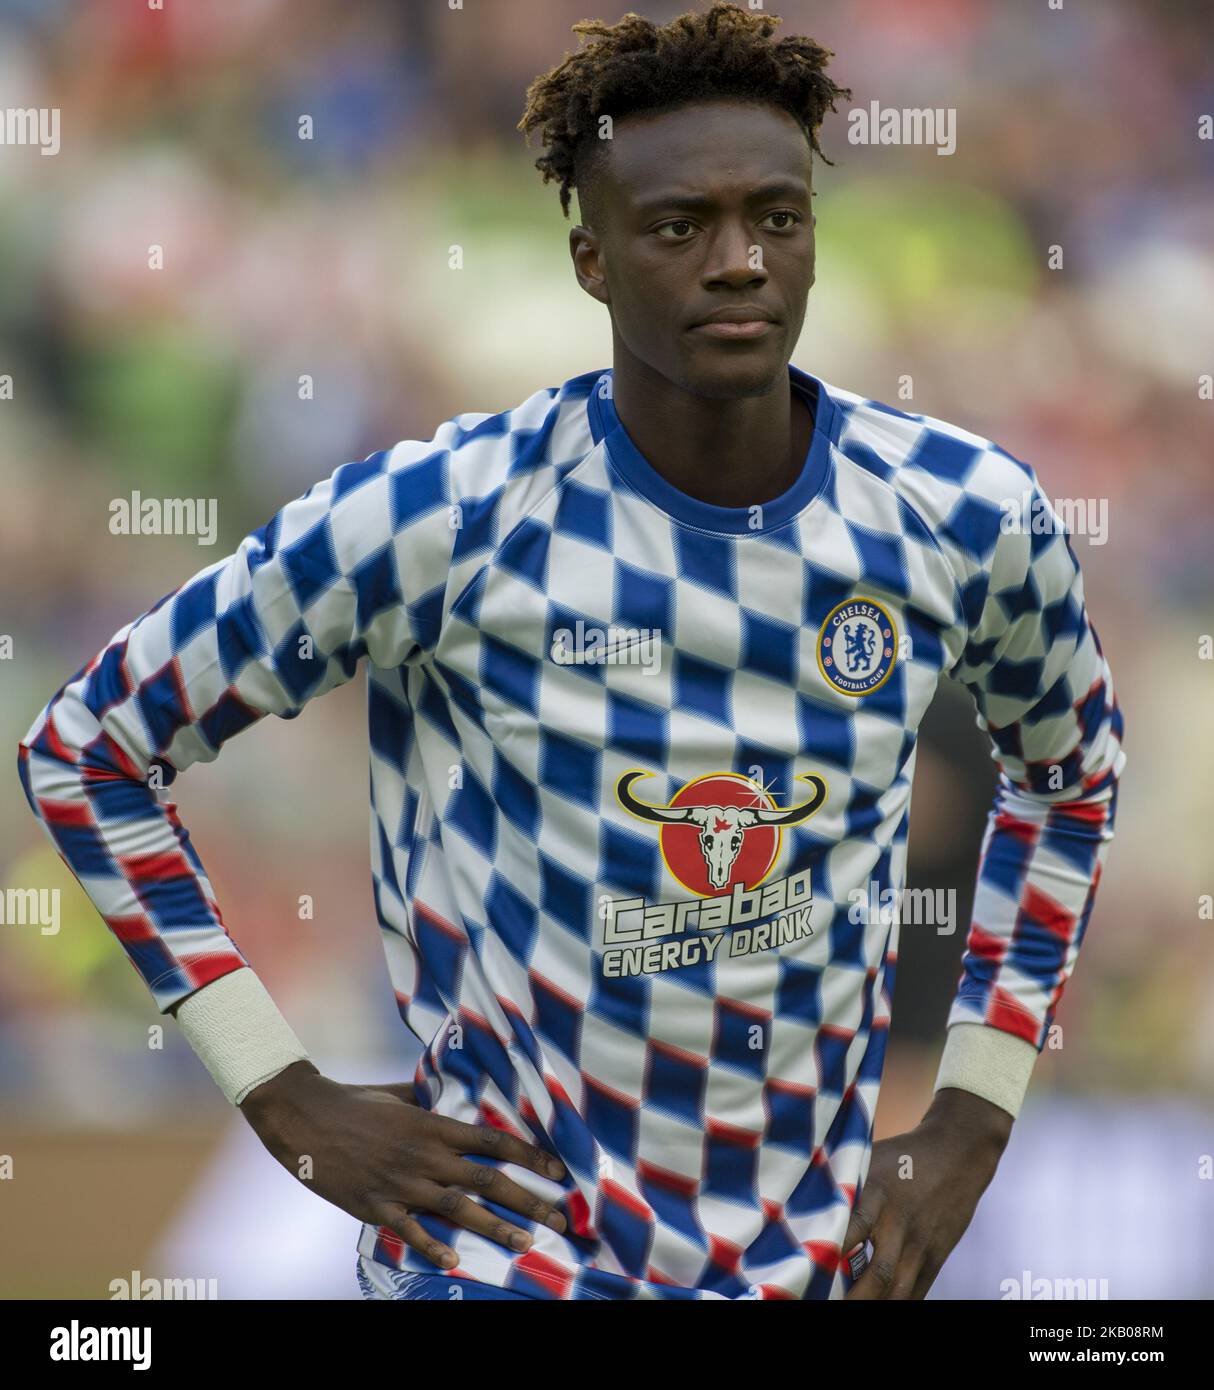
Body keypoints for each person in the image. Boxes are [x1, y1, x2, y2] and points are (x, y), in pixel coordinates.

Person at [17, 4, 1124, 1301]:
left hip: (807, 1268)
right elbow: (90, 749)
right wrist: (282, 1087)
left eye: (775, 217)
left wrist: (975, 1107)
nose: (738, 263)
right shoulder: (441, 517)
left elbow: (1068, 774)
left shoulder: (958, 510)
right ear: (589, 256)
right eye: (678, 227)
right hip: (504, 1263)